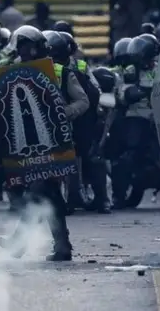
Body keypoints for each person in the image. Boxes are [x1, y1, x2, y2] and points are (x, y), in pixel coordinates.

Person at [0, 25, 89, 261]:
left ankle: (19, 243)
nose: (24, 51)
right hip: (28, 143)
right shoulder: (13, 71)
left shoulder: (59, 71)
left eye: (28, 46)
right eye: (21, 46)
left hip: (55, 141)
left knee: (37, 191)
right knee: (51, 195)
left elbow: (83, 101)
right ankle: (62, 246)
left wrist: (63, 113)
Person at [43, 30, 110, 214]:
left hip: (79, 118)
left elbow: (93, 92)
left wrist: (66, 113)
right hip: (44, 120)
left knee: (92, 155)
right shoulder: (35, 68)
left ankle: (103, 199)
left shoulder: (79, 67)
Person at [110, 34, 160, 208]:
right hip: (137, 117)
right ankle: (118, 195)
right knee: (125, 158)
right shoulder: (130, 71)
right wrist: (139, 92)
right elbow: (123, 94)